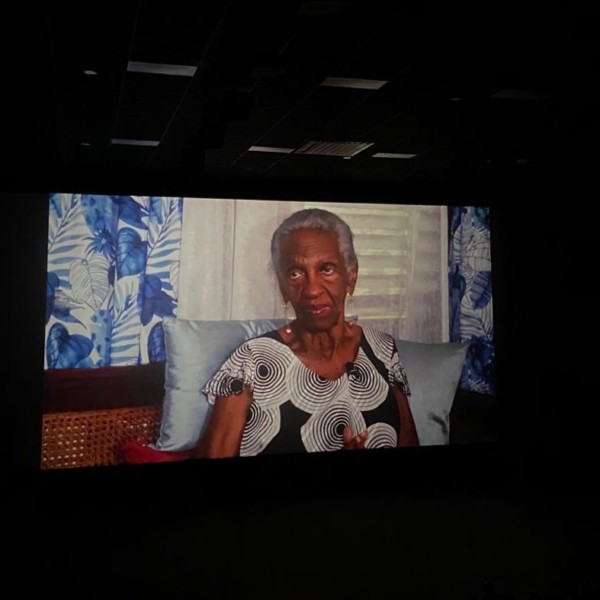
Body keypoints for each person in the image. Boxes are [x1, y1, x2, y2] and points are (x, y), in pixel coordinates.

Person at [196, 208, 419, 458]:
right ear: (283, 287)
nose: (312, 289)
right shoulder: (251, 362)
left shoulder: (383, 349)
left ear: (351, 276)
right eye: (295, 273)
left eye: (327, 269)